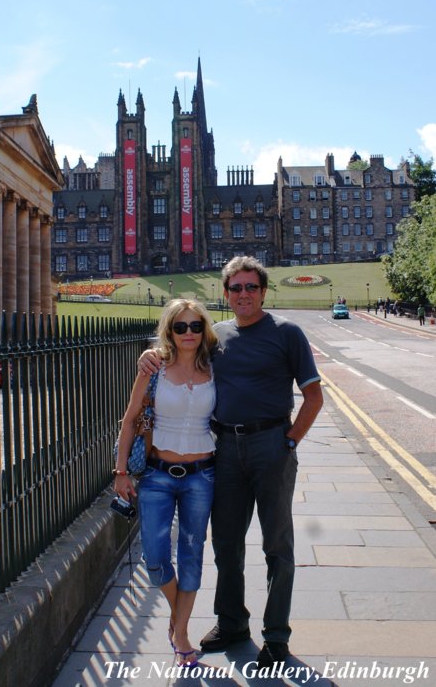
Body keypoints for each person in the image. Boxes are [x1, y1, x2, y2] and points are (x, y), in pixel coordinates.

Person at [138, 256, 323, 673]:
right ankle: (232, 622)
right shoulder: (215, 336)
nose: (243, 294)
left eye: (251, 287)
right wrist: (148, 357)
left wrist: (289, 443)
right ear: (226, 294)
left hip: (270, 444)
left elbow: (313, 397)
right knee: (225, 542)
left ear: (263, 291)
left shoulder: (287, 334)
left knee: (277, 545)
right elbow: (177, 351)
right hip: (223, 447)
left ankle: (276, 635)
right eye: (235, 288)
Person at [113, 299, 218, 669]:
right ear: (169, 331)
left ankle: (182, 635)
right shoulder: (153, 367)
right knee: (155, 557)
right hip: (157, 475)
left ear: (204, 329)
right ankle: (179, 618)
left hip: (202, 475)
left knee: (192, 553)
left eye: (194, 326)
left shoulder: (214, 366)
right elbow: (129, 421)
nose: (188, 333)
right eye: (180, 327)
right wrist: (121, 471)